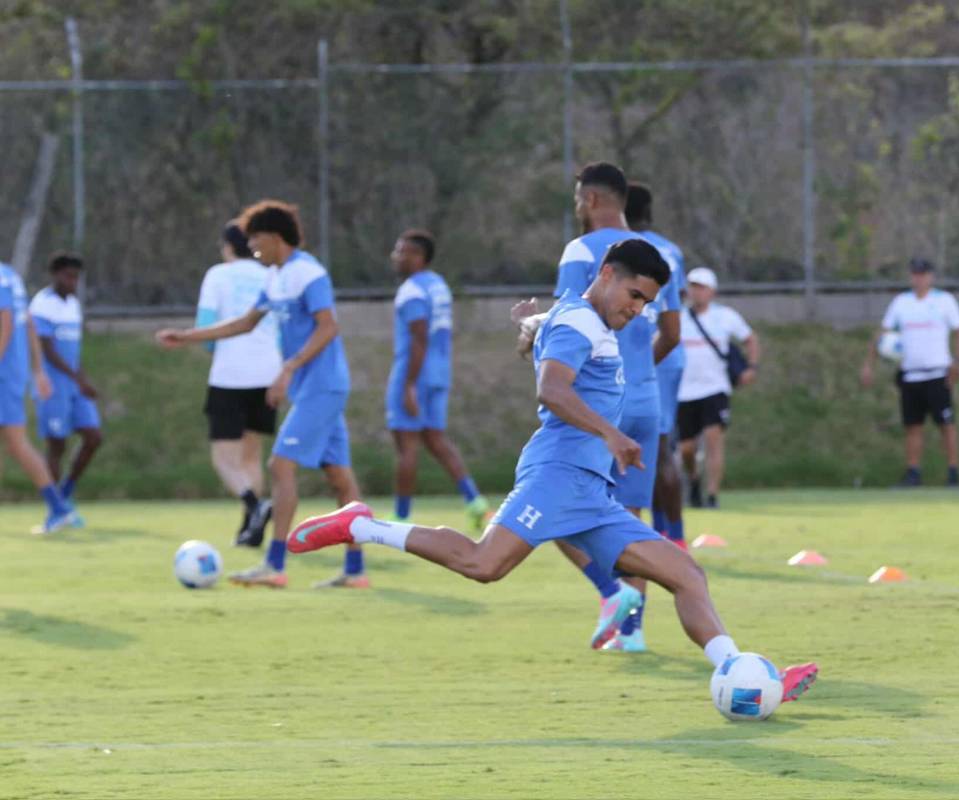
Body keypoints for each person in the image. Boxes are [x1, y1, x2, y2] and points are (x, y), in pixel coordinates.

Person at [285, 239, 818, 702]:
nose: (637, 309)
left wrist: (529, 324)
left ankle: (741, 672)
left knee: (686, 575)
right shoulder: (580, 321)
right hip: (558, 475)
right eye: (634, 295)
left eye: (646, 303)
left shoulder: (579, 317)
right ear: (606, 274)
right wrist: (611, 434)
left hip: (591, 491)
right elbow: (552, 389)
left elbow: (550, 334)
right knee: (483, 564)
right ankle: (361, 525)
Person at [157, 200, 367, 588]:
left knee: (279, 465)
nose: (251, 246)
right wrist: (187, 336)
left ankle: (275, 565)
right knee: (339, 477)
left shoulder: (308, 272)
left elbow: (328, 327)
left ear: (273, 237)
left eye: (255, 238)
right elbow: (245, 323)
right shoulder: (275, 277)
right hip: (311, 388)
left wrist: (288, 368)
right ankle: (355, 571)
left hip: (322, 386)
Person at [552, 163, 680, 653]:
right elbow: (672, 333)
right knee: (629, 518)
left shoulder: (581, 251)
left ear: (589, 199)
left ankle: (610, 592)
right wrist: (636, 374)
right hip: (645, 400)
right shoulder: (662, 254)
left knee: (551, 508)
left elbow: (566, 320)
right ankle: (632, 632)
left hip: (599, 404)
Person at [387, 229, 489, 530]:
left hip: (414, 372)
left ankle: (401, 516)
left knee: (406, 445)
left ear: (419, 256)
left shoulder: (412, 290)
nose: (396, 257)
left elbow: (419, 337)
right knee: (435, 439)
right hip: (439, 371)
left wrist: (408, 385)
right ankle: (474, 501)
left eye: (402, 251)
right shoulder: (438, 285)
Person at [194, 222, 281, 547]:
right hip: (268, 373)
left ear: (228, 247)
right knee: (251, 457)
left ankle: (255, 506)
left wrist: (212, 347)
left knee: (223, 459)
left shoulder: (218, 275)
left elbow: (206, 328)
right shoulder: (270, 275)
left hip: (231, 375)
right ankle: (250, 531)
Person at [860, 258, 959, 487]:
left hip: (937, 373)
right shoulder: (901, 302)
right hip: (910, 374)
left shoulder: (944, 300)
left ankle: (953, 472)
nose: (919, 278)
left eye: (923, 274)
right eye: (915, 274)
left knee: (946, 425)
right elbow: (883, 334)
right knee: (912, 425)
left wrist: (957, 362)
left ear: (931, 276)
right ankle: (913, 472)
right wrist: (869, 363)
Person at [624, 182, 689, 551]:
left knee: (655, 448)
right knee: (658, 443)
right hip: (670, 353)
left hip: (647, 352)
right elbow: (677, 301)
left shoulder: (623, 248)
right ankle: (666, 534)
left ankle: (671, 539)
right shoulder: (671, 249)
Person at [0, 259, 79, 533]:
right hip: (13, 372)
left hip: (4, 375)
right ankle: (59, 508)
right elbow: (29, 323)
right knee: (15, 443)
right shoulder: (10, 276)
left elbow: (6, 323)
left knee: (17, 443)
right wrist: (37, 369)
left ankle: (59, 508)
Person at [677, 267, 759, 509]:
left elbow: (750, 339)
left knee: (714, 441)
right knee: (686, 448)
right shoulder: (679, 317)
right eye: (693, 287)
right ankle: (694, 479)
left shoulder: (725, 316)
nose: (696, 292)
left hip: (715, 389)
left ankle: (712, 495)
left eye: (701, 287)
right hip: (684, 391)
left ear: (712, 291)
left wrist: (751, 367)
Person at [29, 253, 103, 507]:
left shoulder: (73, 305)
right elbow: (47, 350)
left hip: (74, 383)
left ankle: (65, 492)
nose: (72, 282)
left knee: (94, 437)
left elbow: (73, 351)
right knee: (56, 445)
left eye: (76, 277)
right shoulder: (42, 304)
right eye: (68, 276)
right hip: (52, 384)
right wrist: (77, 379)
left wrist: (83, 379)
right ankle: (56, 509)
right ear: (55, 275)